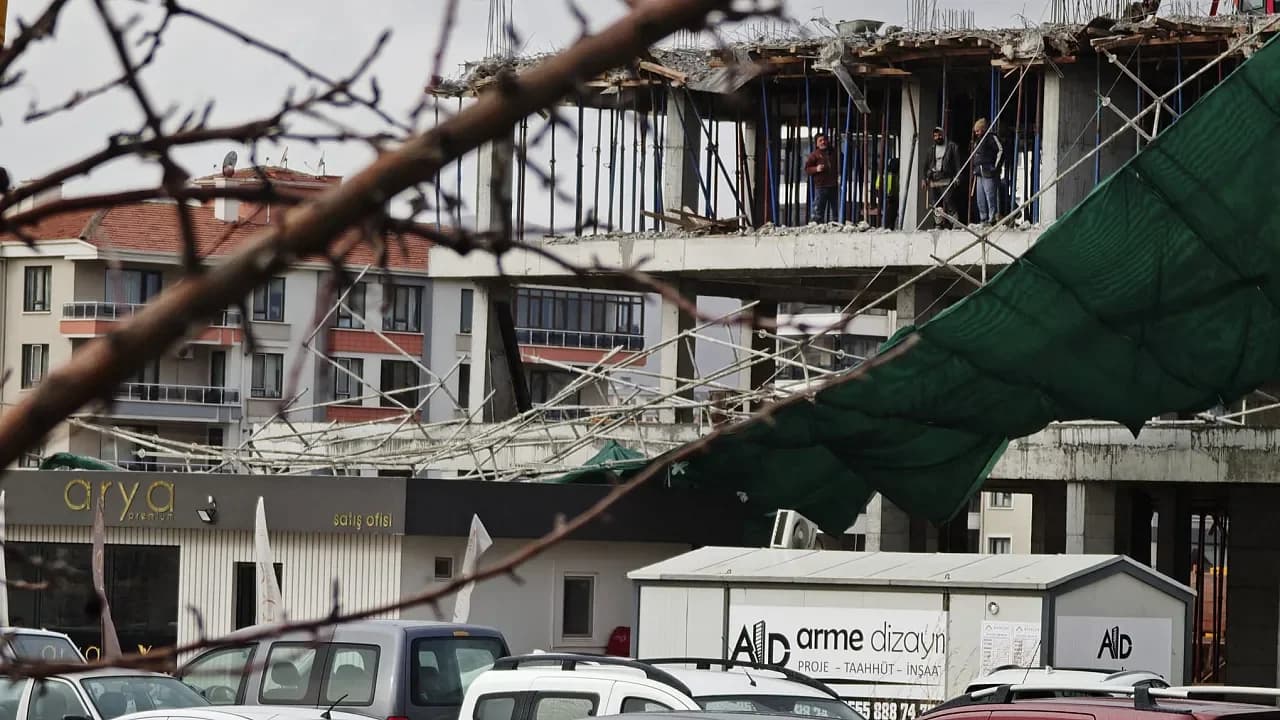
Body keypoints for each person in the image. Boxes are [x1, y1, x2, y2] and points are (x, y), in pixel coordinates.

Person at [924, 126, 959, 228]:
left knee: (949, 201)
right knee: (936, 203)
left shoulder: (951, 147)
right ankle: (938, 223)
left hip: (946, 179)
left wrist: (958, 176)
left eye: (939, 135)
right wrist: (924, 178)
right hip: (934, 180)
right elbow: (926, 165)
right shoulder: (931, 150)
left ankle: (955, 223)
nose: (937, 137)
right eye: (935, 136)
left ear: (943, 135)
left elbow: (957, 163)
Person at [971, 118, 1004, 226]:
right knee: (980, 197)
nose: (976, 133)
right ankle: (983, 218)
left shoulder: (991, 137)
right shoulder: (977, 141)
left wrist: (995, 167)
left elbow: (1000, 150)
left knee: (990, 196)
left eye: (978, 131)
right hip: (979, 173)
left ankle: (992, 218)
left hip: (988, 172)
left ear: (983, 129)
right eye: (975, 132)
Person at [804, 133, 839, 223]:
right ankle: (817, 226)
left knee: (836, 209)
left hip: (834, 186)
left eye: (824, 140)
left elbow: (842, 162)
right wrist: (816, 169)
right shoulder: (814, 155)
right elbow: (807, 169)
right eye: (820, 140)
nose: (823, 142)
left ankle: (836, 224)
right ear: (816, 144)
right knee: (818, 210)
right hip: (821, 186)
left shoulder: (834, 153)